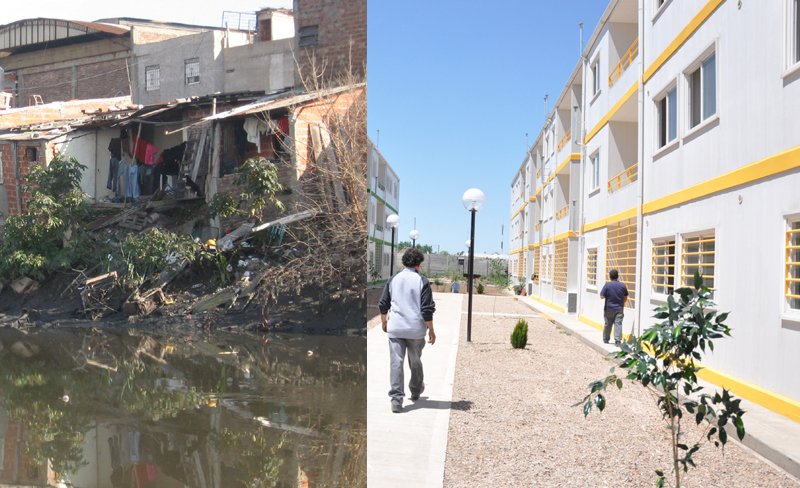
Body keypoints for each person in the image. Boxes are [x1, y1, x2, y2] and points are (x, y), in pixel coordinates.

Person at [378, 248, 436, 413]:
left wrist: (384, 322)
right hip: (415, 330)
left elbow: (383, 304)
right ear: (419, 264)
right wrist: (431, 329)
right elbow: (427, 309)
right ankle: (416, 390)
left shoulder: (393, 279)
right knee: (415, 360)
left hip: (395, 328)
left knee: (396, 362)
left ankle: (396, 400)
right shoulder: (421, 281)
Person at [600, 269, 628, 346]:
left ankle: (606, 339)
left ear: (610, 276)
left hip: (608, 308)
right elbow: (625, 297)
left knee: (608, 324)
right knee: (618, 324)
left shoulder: (607, 285)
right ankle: (618, 340)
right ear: (617, 276)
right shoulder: (622, 285)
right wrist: (621, 303)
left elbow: (601, 296)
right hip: (619, 308)